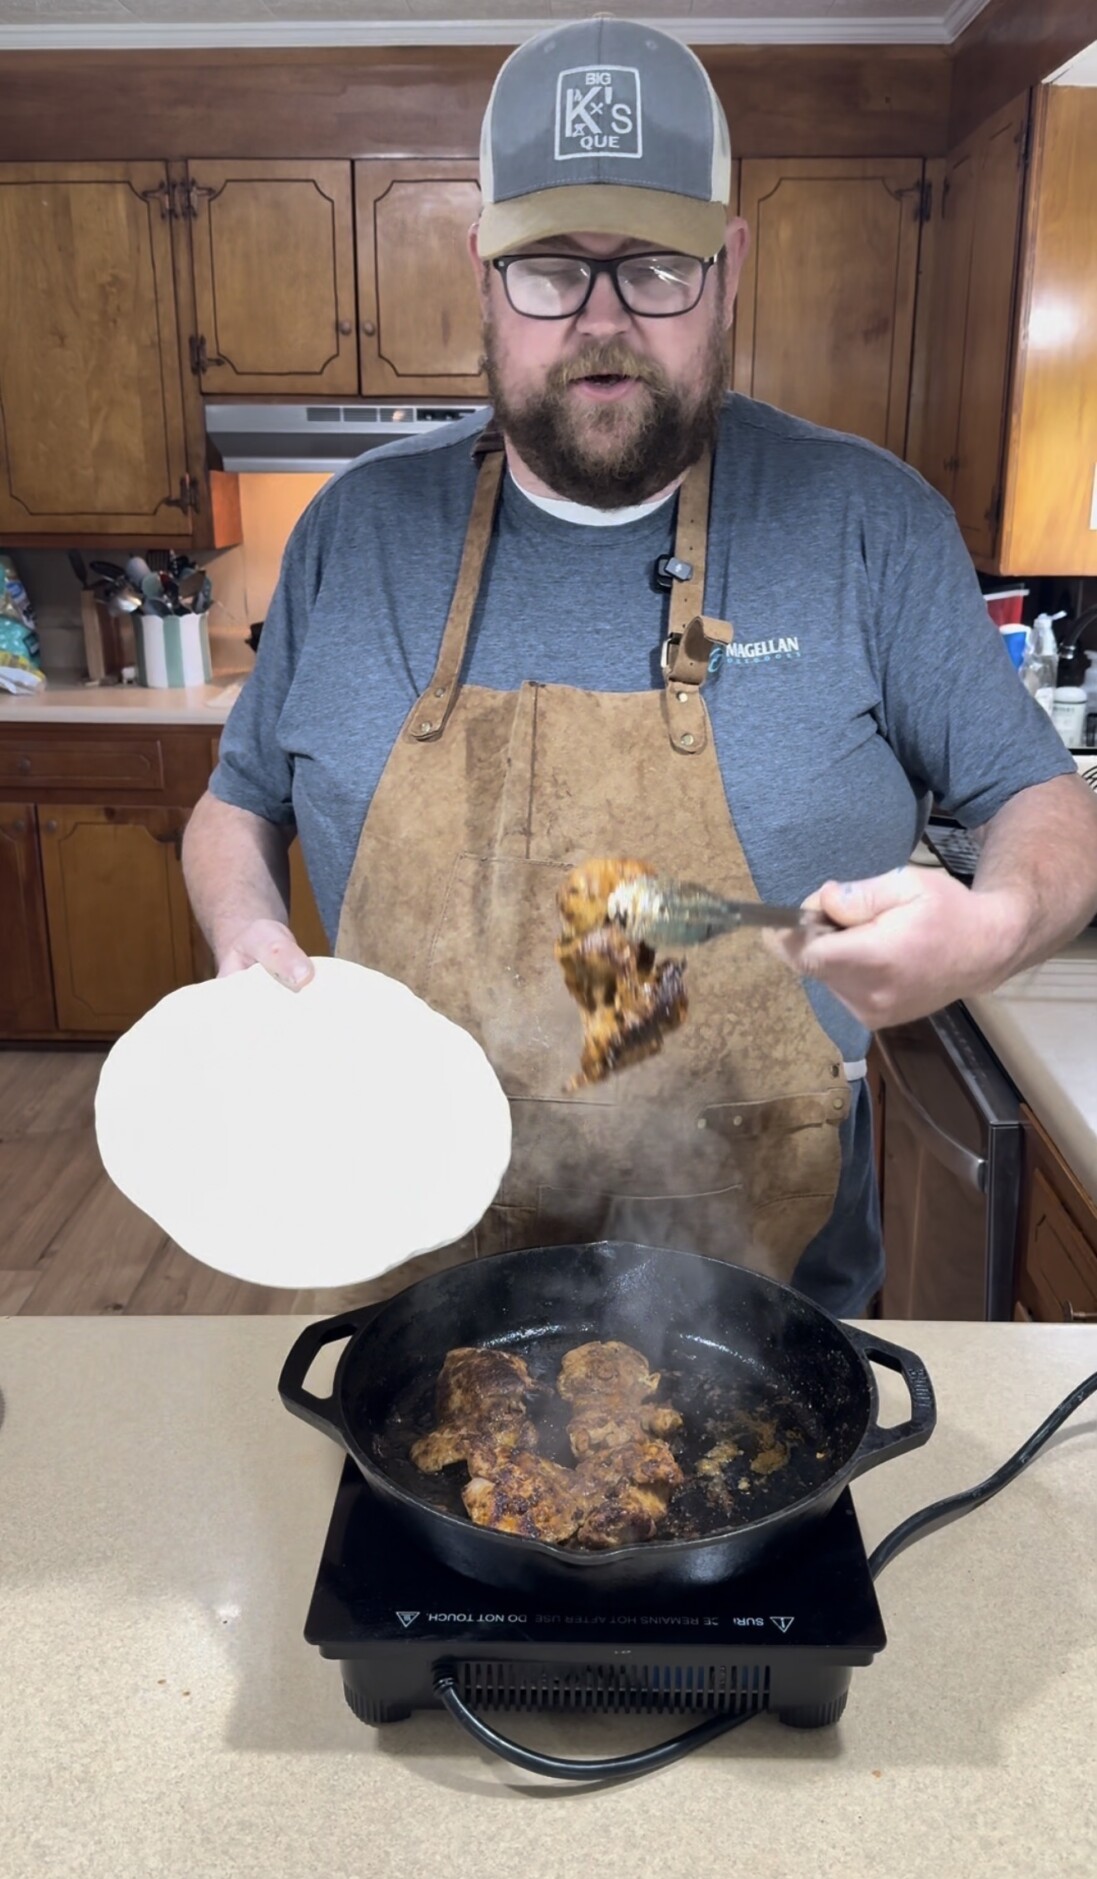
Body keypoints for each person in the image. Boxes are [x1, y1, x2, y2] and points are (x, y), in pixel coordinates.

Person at [182, 16, 1097, 1316]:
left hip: (759, 1294)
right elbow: (238, 803)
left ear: (728, 266)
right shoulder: (354, 535)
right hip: (403, 1259)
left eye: (655, 267)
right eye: (550, 267)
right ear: (482, 269)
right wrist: (247, 939)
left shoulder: (867, 526)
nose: (602, 323)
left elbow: (1042, 802)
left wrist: (993, 927)